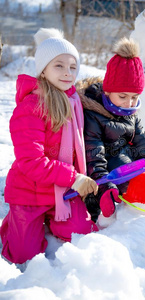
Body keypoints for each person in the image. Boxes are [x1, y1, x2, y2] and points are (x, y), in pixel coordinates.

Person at [0, 28, 99, 265]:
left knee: (83, 235)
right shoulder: (30, 107)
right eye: (59, 65)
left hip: (62, 191)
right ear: (43, 70)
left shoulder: (75, 102)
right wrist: (74, 178)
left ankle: (53, 219)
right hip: (29, 191)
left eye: (72, 67)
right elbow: (32, 162)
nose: (68, 73)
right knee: (24, 256)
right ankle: (14, 224)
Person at [76, 37, 145, 222]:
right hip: (99, 177)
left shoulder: (129, 114)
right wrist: (104, 188)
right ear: (107, 91)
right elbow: (93, 155)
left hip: (127, 171)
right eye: (123, 96)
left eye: (134, 97)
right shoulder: (93, 115)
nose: (129, 103)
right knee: (118, 158)